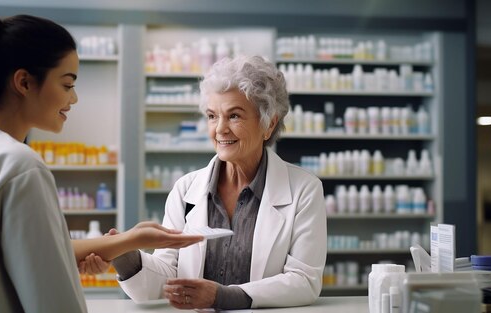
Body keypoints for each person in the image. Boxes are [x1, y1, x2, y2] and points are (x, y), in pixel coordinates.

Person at [0, 3, 202, 313]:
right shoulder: (19, 166)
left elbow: (34, 251)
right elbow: (53, 300)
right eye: (67, 84)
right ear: (24, 82)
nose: (73, 98)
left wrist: (128, 240)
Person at [84, 55, 327, 310]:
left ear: (269, 123)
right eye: (212, 116)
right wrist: (126, 256)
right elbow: (167, 277)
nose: (220, 129)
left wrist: (223, 297)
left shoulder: (304, 190)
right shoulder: (186, 189)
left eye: (234, 116)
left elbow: (304, 280)